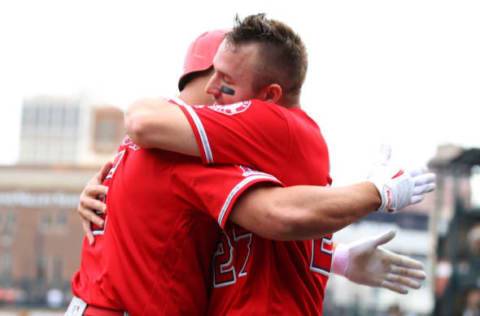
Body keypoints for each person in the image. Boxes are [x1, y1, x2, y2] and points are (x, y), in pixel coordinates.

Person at [71, 15, 434, 316]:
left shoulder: (247, 134)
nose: (216, 92)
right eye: (212, 78)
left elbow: (278, 219)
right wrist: (376, 194)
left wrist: (335, 255)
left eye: (226, 82)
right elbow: (276, 215)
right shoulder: (185, 149)